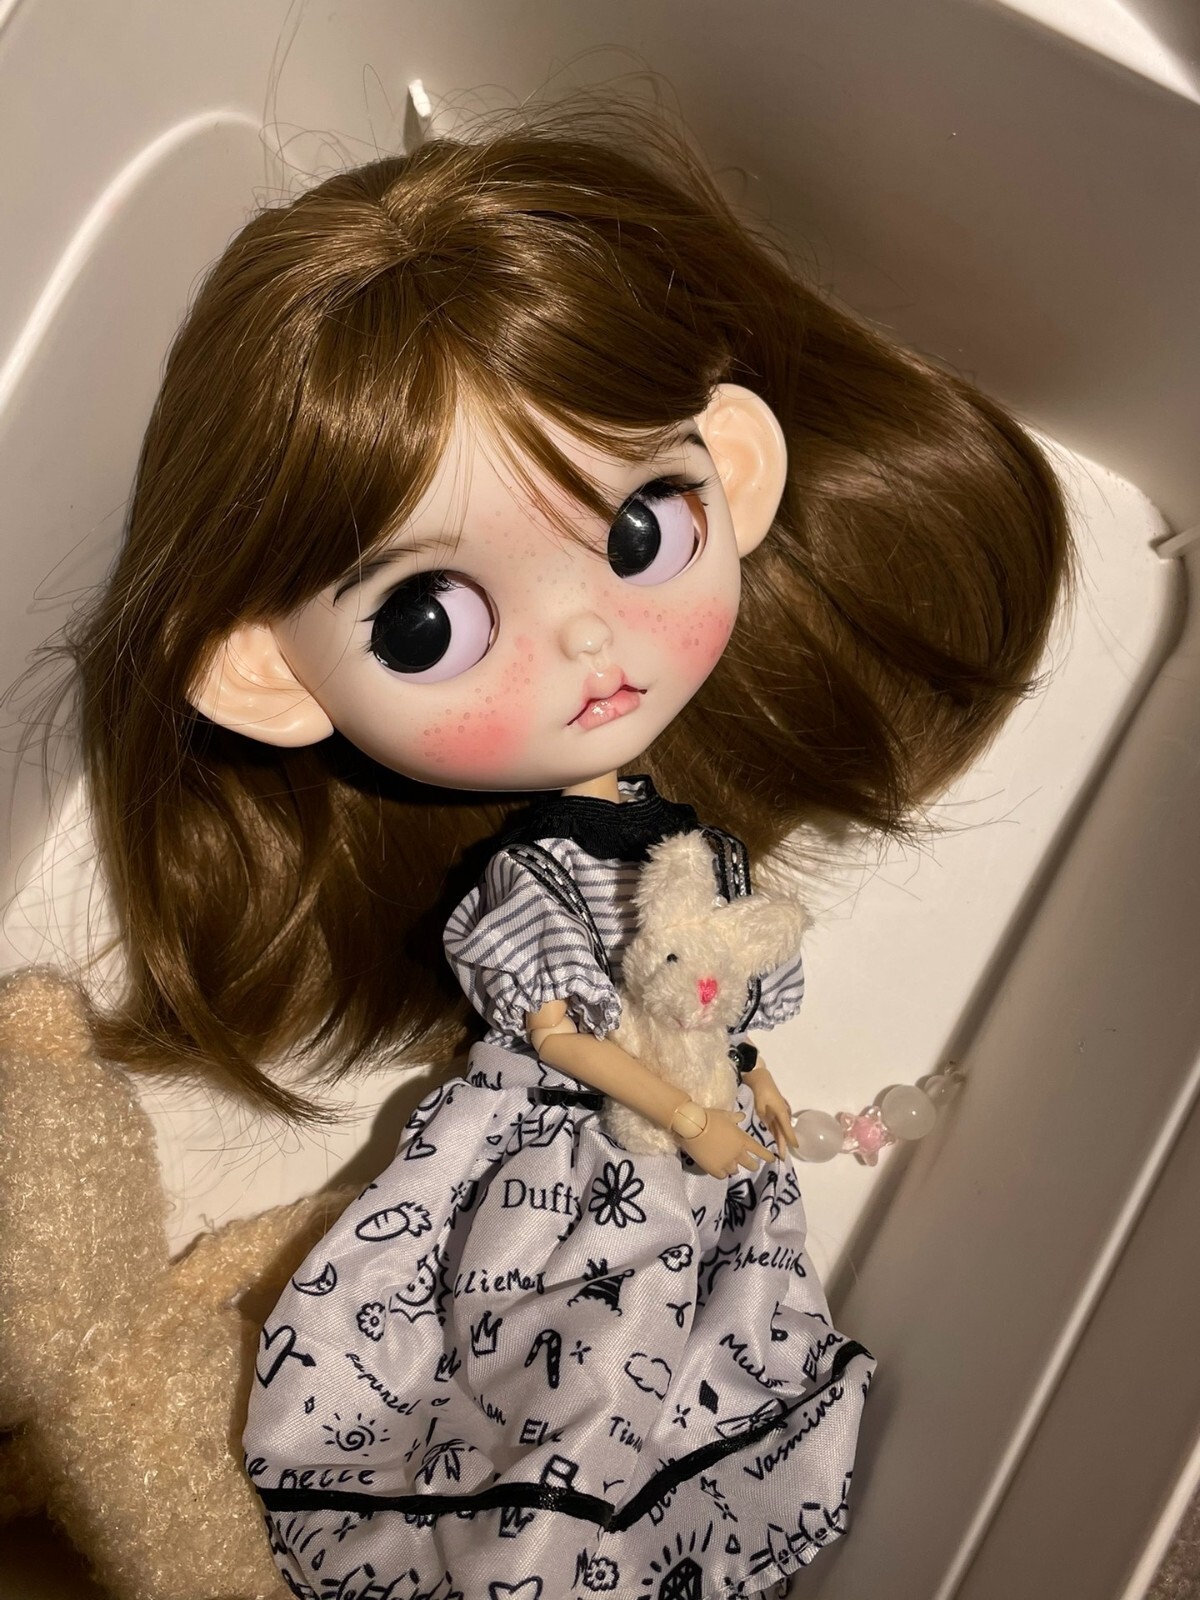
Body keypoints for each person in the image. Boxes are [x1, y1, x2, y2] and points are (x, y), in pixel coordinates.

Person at [68, 115, 1070, 1598]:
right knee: (556, 1366)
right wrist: (685, 1109)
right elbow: (552, 1033)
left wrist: (751, 1097)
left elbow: (713, 1012)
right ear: (273, 676)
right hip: (561, 1151)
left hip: (689, 1136)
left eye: (643, 526)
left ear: (734, 470)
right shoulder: (528, 887)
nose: (592, 643)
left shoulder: (688, 846)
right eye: (430, 623)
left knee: (697, 1359)